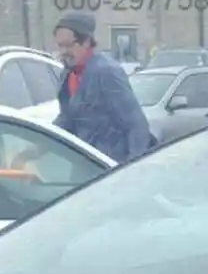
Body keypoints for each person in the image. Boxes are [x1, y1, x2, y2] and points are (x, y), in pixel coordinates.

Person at [50, 10, 153, 161]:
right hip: (84, 164)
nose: (64, 52)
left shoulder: (107, 72)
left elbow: (136, 125)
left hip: (109, 168)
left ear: (86, 42)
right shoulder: (68, 74)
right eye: (60, 46)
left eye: (68, 45)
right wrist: (36, 146)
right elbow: (67, 119)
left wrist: (133, 167)